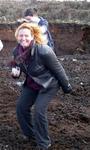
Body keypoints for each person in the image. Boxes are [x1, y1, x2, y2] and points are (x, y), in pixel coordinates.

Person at [10, 22, 72, 150]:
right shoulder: (16, 51)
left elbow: (58, 70)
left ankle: (44, 143)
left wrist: (67, 87)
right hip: (32, 83)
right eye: (21, 35)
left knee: (39, 111)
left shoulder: (44, 50)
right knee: (21, 107)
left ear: (32, 36)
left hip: (48, 85)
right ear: (17, 37)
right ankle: (30, 134)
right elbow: (19, 68)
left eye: (26, 35)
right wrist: (15, 74)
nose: (23, 38)